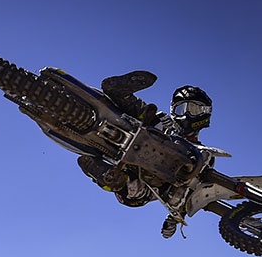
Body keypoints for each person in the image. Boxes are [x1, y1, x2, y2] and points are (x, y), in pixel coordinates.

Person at [77, 71, 213, 239]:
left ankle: (105, 173)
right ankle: (118, 93)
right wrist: (155, 120)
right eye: (181, 109)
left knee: (132, 197)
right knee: (153, 118)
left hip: (153, 180)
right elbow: (154, 119)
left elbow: (193, 194)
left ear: (204, 114)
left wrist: (173, 219)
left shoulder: (203, 154)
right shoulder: (165, 123)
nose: (186, 114)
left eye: (193, 109)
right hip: (150, 136)